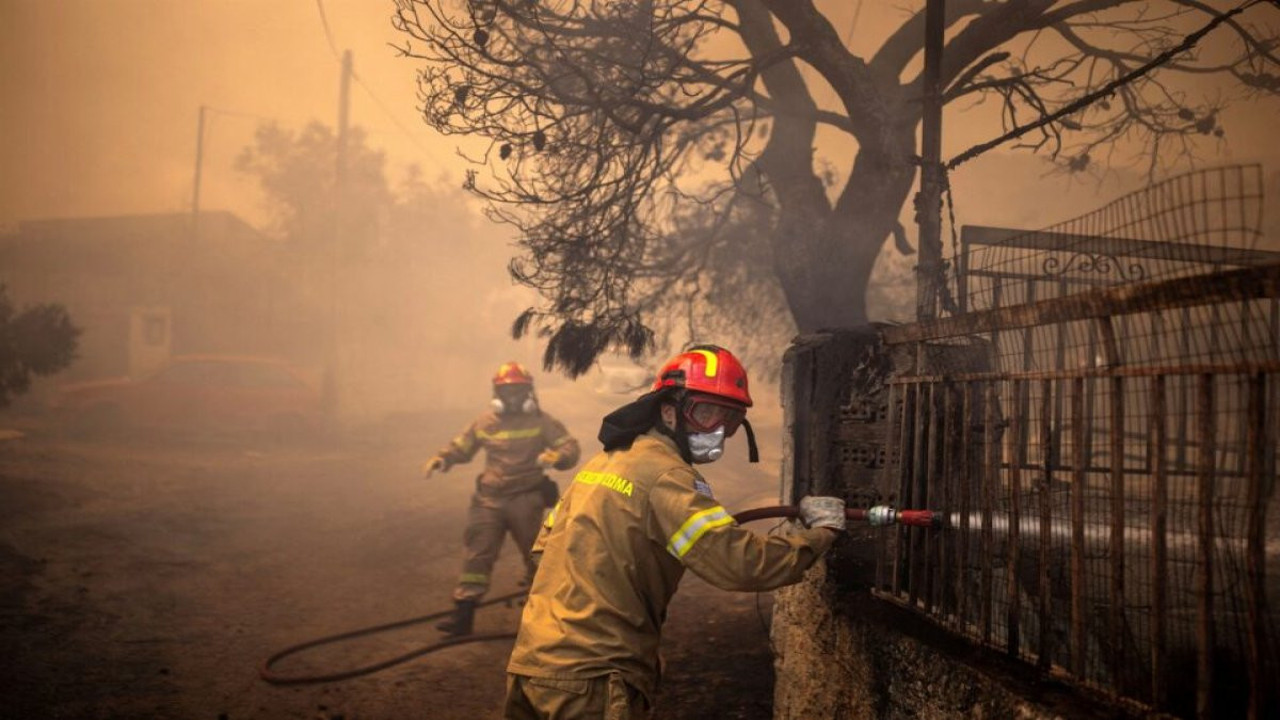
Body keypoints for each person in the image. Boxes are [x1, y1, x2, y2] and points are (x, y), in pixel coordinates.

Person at [503, 345, 846, 720]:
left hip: (532, 666)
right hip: (592, 679)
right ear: (668, 410)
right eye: (705, 413)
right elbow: (739, 565)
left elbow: (542, 554)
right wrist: (822, 534)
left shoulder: (602, 464)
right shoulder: (669, 477)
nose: (717, 430)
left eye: (729, 420)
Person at [421, 361, 581, 637]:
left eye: (518, 390)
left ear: (528, 392)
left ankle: (546, 617)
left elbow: (570, 446)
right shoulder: (485, 422)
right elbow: (463, 446)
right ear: (497, 393)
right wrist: (443, 457)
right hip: (489, 501)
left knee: (538, 557)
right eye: (507, 391)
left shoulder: (541, 421)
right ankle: (463, 614)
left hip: (526, 499)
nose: (513, 397)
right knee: (477, 555)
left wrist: (558, 457)